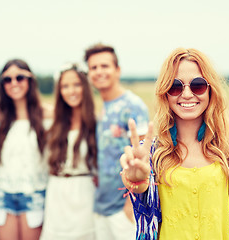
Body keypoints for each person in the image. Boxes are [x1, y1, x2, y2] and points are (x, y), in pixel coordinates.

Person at [119, 47, 229, 239]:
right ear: (165, 92)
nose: (187, 94)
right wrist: (136, 178)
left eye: (197, 85)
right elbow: (138, 187)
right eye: (175, 86)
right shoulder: (150, 154)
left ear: (211, 90)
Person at [84, 43, 149, 240]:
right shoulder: (103, 106)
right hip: (102, 206)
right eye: (93, 67)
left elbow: (146, 156)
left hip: (123, 210)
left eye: (105, 66)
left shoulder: (132, 105)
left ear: (117, 70)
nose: (99, 72)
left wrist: (131, 205)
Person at [0, 59, 53, 240]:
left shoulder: (47, 114)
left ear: (30, 80)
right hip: (2, 192)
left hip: (34, 192)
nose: (14, 83)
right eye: (7, 80)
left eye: (20, 77)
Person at [40, 63, 97, 240]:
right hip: (57, 194)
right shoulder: (53, 122)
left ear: (85, 87)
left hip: (84, 195)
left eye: (77, 85)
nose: (71, 91)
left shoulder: (96, 123)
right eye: (65, 86)